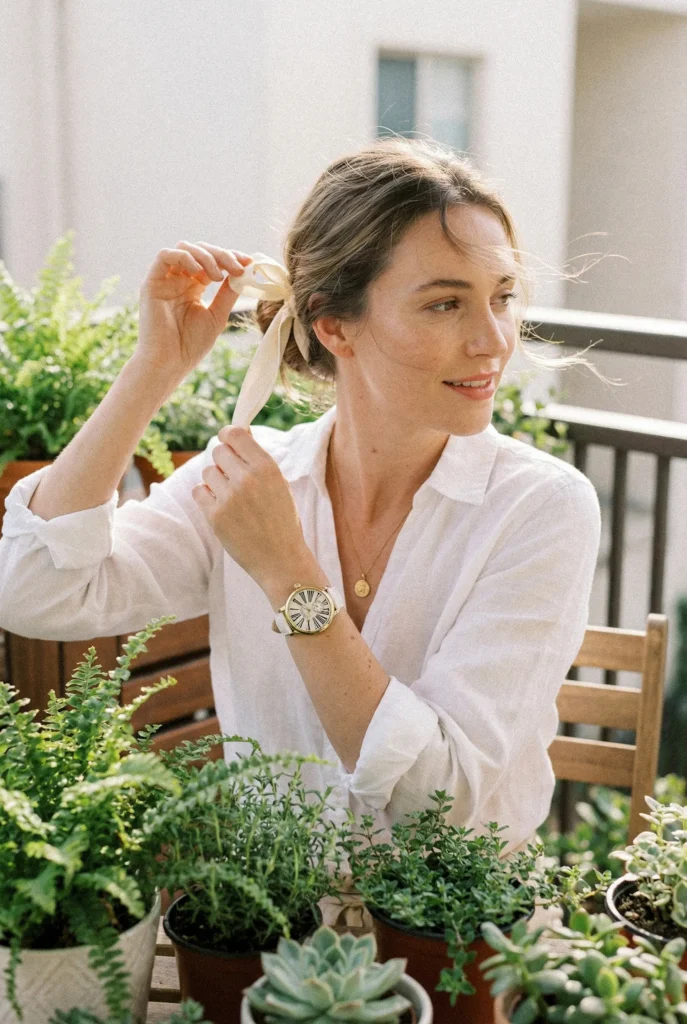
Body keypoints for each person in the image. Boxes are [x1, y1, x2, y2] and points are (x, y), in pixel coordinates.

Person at [0, 137, 603, 852]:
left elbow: (435, 802)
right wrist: (153, 369)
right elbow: (32, 591)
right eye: (445, 304)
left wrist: (288, 576)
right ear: (332, 325)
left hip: (458, 943)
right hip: (264, 935)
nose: (492, 341)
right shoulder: (254, 483)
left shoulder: (541, 509)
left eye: (501, 298)